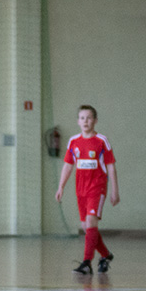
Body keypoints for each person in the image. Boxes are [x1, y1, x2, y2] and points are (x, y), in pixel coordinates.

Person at [55, 105, 119, 274]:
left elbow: (111, 166)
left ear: (95, 121)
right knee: (86, 227)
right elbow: (68, 166)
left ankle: (86, 262)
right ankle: (106, 255)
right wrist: (61, 187)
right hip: (81, 189)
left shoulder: (102, 141)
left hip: (97, 187)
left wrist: (114, 190)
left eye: (89, 118)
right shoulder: (73, 141)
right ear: (78, 121)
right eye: (82, 118)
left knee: (91, 222)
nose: (85, 121)